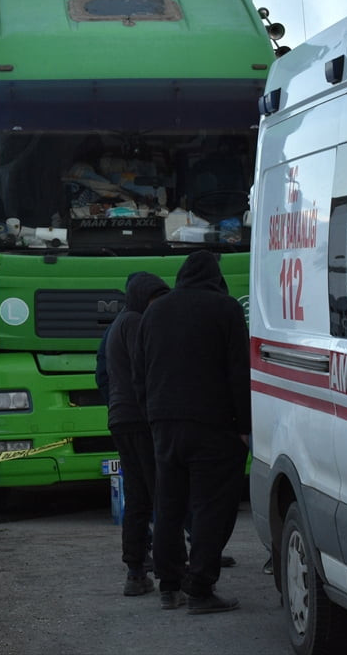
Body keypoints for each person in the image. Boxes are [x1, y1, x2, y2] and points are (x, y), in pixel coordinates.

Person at [135, 250, 250, 614]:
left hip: (164, 426)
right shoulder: (226, 309)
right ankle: (200, 588)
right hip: (213, 427)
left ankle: (169, 586)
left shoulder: (154, 312)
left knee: (168, 506)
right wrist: (246, 427)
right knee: (210, 507)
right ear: (215, 277)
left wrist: (153, 416)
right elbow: (238, 373)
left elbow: (141, 373)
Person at [103, 272, 171, 596]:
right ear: (143, 297)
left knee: (138, 497)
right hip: (139, 418)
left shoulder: (120, 322)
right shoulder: (134, 323)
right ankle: (169, 567)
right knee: (161, 492)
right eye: (156, 300)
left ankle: (135, 570)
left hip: (120, 417)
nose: (159, 307)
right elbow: (145, 370)